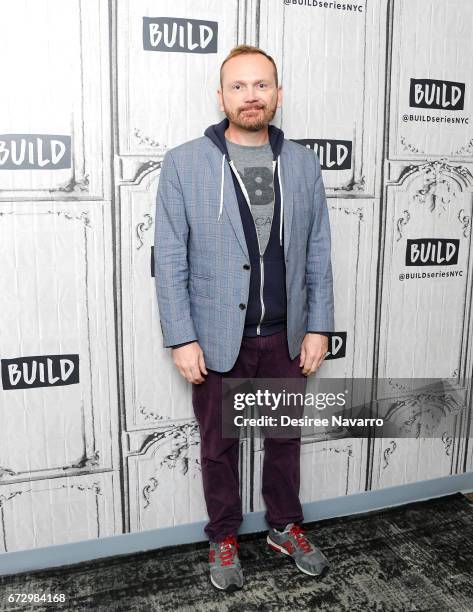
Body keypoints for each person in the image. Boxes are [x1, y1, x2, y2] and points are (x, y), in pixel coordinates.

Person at [154, 45, 334, 592]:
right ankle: (224, 535)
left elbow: (318, 250)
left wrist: (319, 325)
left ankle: (283, 525)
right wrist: (182, 337)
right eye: (238, 86)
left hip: (284, 335)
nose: (251, 96)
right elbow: (169, 257)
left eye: (261, 86)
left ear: (278, 94)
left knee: (284, 440)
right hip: (214, 337)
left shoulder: (302, 162)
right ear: (221, 96)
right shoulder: (184, 162)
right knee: (219, 445)